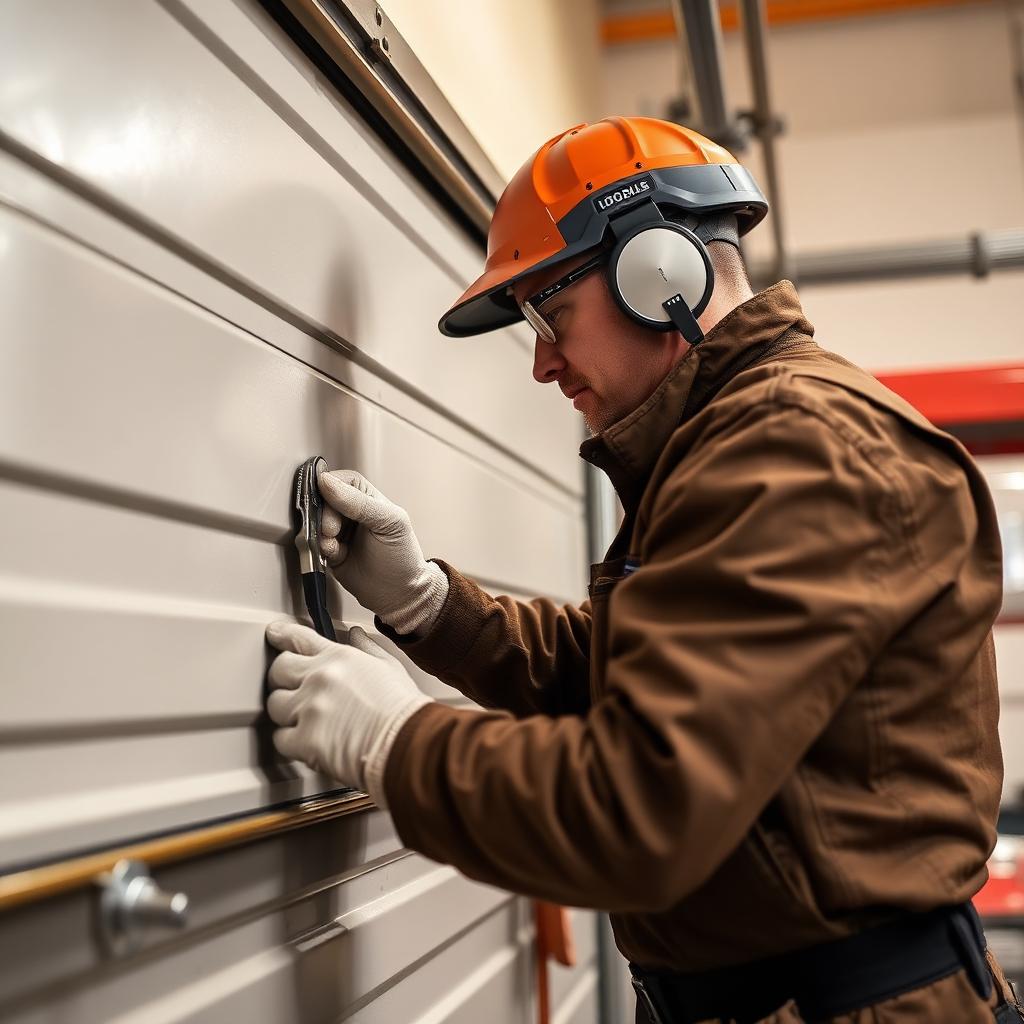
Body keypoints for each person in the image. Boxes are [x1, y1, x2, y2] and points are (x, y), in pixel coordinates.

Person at [264, 116, 1023, 1022]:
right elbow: (633, 670)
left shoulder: (798, 447)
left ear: (655, 269)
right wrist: (427, 603)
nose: (543, 362)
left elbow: (644, 804)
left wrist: (394, 742)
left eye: (550, 315)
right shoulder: (734, 440)